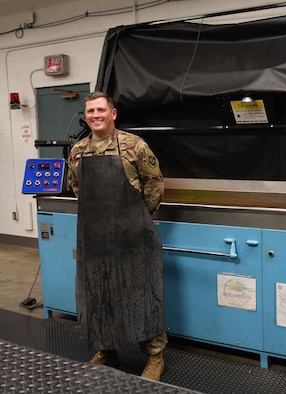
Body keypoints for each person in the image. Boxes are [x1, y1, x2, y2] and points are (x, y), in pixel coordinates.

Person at [67, 91, 167, 381]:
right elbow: (77, 188)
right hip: (95, 237)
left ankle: (154, 356)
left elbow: (155, 184)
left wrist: (138, 220)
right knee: (99, 293)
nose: (95, 115)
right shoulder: (78, 150)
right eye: (90, 111)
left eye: (100, 109)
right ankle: (106, 350)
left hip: (133, 235)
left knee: (142, 293)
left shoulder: (133, 146)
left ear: (113, 113)